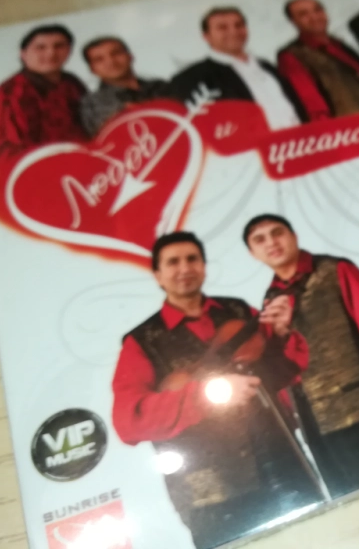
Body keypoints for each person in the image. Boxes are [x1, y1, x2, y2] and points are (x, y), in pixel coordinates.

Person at [112, 232, 323, 549]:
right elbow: (129, 421)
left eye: (192, 259)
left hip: (281, 462)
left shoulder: (238, 311)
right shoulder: (141, 341)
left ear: (203, 266)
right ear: (158, 274)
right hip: (212, 493)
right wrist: (202, 396)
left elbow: (286, 368)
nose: (185, 268)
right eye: (173, 262)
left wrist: (282, 334)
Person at [243, 214, 359, 497]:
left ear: (293, 236)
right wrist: (279, 335)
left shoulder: (335, 271)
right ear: (252, 253)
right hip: (316, 427)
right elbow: (285, 371)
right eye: (260, 239)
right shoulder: (271, 298)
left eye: (277, 233)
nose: (271, 242)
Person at [169, 7, 306, 129]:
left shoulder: (267, 66)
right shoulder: (192, 78)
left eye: (239, 25)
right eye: (222, 27)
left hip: (299, 142)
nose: (234, 31)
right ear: (206, 36)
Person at [0, 24, 87, 164]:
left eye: (59, 46)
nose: (51, 53)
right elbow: (11, 149)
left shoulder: (72, 82)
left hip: (80, 162)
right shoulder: (11, 92)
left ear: (69, 50)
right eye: (40, 47)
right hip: (38, 168)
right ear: (23, 54)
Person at [278, 0, 359, 121]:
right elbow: (311, 105)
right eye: (304, 14)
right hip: (349, 127)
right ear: (293, 21)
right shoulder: (292, 56)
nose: (314, 17)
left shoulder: (338, 45)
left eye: (317, 10)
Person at [79, 36, 169, 136]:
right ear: (92, 69)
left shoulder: (161, 87)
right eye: (99, 59)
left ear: (130, 56)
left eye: (116, 53)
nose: (111, 62)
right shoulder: (92, 103)